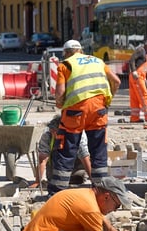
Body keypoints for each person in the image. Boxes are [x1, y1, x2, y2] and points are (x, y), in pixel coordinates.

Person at [50, 39, 120, 194]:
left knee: (66, 149)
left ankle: (58, 192)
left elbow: (60, 93)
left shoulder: (65, 65)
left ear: (67, 52)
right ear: (80, 50)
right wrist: (108, 100)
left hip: (75, 112)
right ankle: (101, 190)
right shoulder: (98, 61)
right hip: (99, 110)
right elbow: (116, 81)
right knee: (98, 149)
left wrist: (60, 104)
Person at [35, 114, 91, 188]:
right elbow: (42, 159)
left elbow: (84, 157)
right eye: (52, 131)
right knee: (54, 181)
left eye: (56, 132)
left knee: (78, 178)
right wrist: (37, 181)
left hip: (76, 168)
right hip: (55, 168)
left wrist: (93, 180)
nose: (53, 134)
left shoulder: (78, 135)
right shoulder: (47, 135)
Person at [127, 37, 147, 123]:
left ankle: (134, 117)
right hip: (137, 77)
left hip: (137, 77)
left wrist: (144, 78)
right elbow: (132, 60)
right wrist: (134, 71)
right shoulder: (141, 50)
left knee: (135, 98)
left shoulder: (145, 53)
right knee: (144, 95)